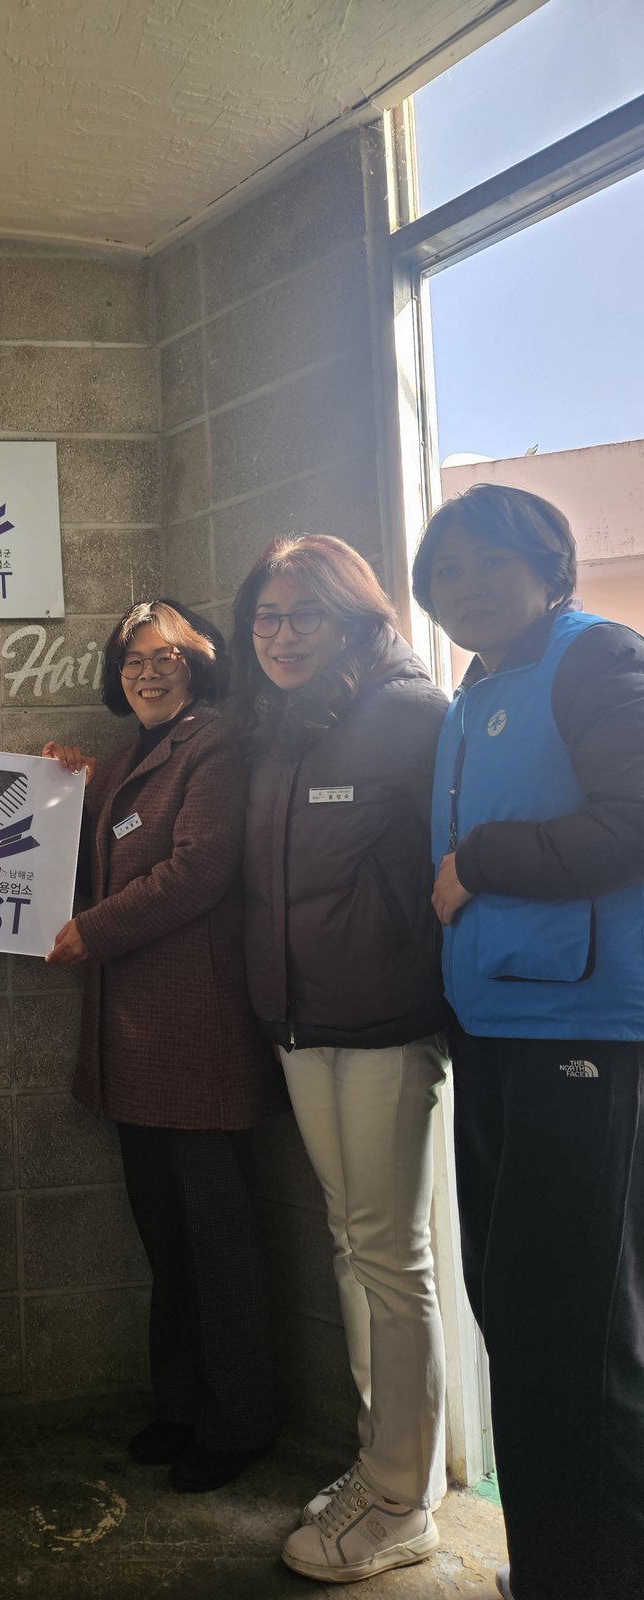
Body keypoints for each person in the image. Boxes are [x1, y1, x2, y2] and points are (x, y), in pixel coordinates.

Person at [413, 484, 644, 1600]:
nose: (467, 587)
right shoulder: (477, 684)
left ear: (550, 566)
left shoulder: (596, 657)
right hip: (498, 1026)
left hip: (584, 1028)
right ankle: (554, 1564)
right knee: (517, 1306)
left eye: (491, 562)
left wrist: (482, 860)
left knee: (574, 1329)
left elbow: (632, 820)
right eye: (447, 570)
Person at [233, 535, 450, 1584]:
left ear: (355, 616)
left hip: (384, 1023)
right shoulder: (286, 719)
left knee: (391, 1257)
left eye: (303, 614)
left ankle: (403, 1499)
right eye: (267, 618)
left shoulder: (412, 714)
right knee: (352, 1242)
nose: (280, 635)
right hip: (300, 1021)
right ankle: (383, 1464)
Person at [43, 598, 287, 1494]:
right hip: (136, 1042)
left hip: (197, 1037)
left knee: (218, 1241)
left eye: (167, 657)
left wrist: (90, 933)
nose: (148, 673)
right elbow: (96, 863)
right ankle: (183, 1405)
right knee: (169, 1238)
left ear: (202, 663)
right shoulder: (126, 759)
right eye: (133, 660)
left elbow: (198, 870)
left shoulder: (214, 743)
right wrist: (65, 795)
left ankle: (239, 1421)